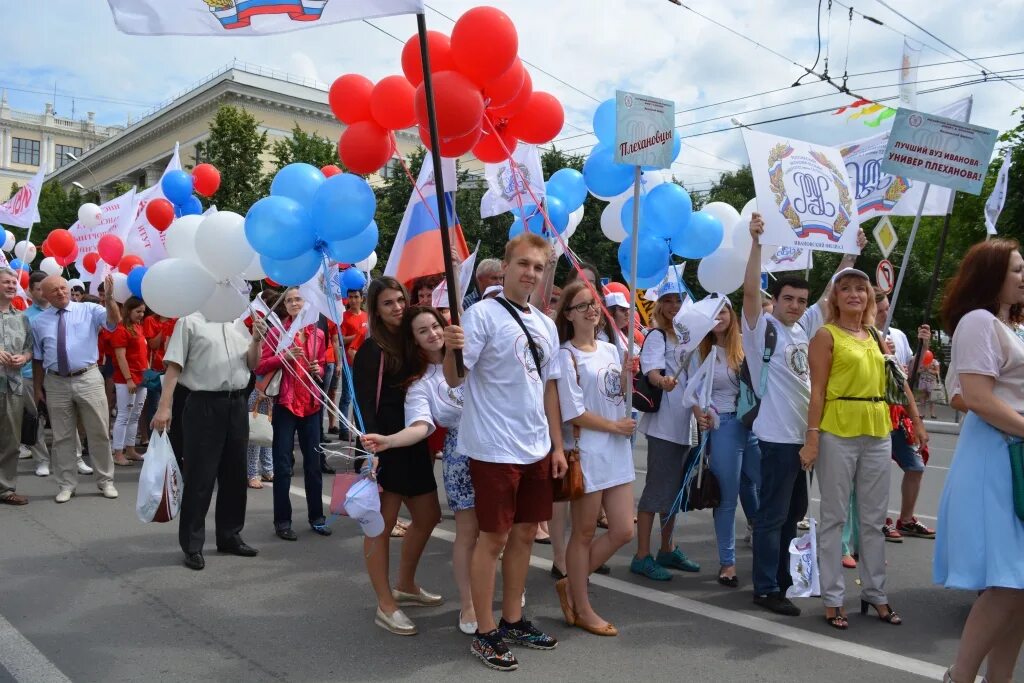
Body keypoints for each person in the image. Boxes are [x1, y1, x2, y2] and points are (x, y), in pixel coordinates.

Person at [443, 233, 567, 672]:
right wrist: (450, 347)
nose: (530, 273)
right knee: (491, 538)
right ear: (506, 267)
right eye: (523, 265)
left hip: (535, 446)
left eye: (538, 266)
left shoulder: (546, 323)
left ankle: (513, 620)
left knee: (525, 535)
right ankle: (485, 630)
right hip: (494, 448)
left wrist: (557, 444)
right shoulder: (480, 316)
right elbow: (456, 379)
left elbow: (549, 387)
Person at [741, 214, 864, 615]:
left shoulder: (804, 327)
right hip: (776, 439)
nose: (794, 305)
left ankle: (780, 579)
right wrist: (756, 243)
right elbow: (748, 293)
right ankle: (765, 589)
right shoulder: (763, 328)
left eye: (800, 300)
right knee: (772, 516)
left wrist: (852, 251)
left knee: (792, 514)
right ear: (774, 301)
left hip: (802, 440)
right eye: (787, 299)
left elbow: (831, 292)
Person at [803, 267, 925, 630]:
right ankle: (833, 598)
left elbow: (897, 382)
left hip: (877, 429)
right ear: (835, 298)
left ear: (870, 297)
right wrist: (812, 438)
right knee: (835, 518)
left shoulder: (875, 335)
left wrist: (917, 421)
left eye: (861, 289)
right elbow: (818, 391)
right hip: (838, 429)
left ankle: (876, 593)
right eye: (846, 289)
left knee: (873, 521)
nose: (855, 294)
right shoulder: (826, 335)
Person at [934, 239, 1024, 683]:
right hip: (995, 456)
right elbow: (977, 398)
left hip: (1015, 453)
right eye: (1016, 270)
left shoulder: (1013, 326)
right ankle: (961, 676)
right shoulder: (978, 322)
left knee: (1021, 588)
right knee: (1007, 584)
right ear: (990, 275)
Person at [362, 306, 476, 634]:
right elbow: (421, 425)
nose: (433, 334)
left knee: (496, 528)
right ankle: (394, 603)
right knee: (381, 526)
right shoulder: (416, 378)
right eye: (422, 330)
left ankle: (406, 585)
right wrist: (388, 441)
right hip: (446, 454)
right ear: (413, 340)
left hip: (496, 448)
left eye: (435, 326)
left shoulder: (472, 354)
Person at [353, 277, 441, 637]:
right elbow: (363, 407)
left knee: (429, 515)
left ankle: (405, 584)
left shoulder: (410, 340)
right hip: (385, 446)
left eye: (400, 300)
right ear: (375, 309)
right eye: (388, 303)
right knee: (381, 526)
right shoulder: (372, 349)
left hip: (414, 442)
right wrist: (370, 452)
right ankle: (385, 604)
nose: (398, 308)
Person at [551, 280, 636, 636]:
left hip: (617, 451)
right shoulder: (565, 355)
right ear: (568, 315)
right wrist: (614, 427)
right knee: (583, 532)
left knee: (623, 530)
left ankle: (572, 585)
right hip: (588, 451)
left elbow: (618, 395)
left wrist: (630, 376)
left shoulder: (611, 350)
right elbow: (574, 412)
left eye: (594, 304)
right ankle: (582, 606)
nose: (591, 310)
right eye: (583, 305)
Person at [152, 310, 263, 571]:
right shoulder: (189, 321)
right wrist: (164, 406)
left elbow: (252, 364)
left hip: (236, 403)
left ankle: (230, 535)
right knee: (200, 477)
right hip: (203, 403)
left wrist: (256, 340)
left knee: (235, 475)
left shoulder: (237, 322)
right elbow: (174, 366)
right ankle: (192, 544)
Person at [631, 278, 699, 581]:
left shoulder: (688, 338)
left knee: (673, 493)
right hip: (663, 426)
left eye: (679, 301)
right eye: (668, 301)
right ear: (659, 305)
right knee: (656, 491)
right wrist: (662, 381)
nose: (674, 306)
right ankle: (641, 555)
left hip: (686, 424)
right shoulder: (658, 336)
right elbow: (652, 370)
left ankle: (667, 548)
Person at [31, 274, 121, 503]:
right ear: (45, 294)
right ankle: (66, 484)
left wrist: (110, 299)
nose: (61, 293)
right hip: (55, 382)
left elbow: (113, 322)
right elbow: (38, 359)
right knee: (62, 437)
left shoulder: (89, 309)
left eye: (63, 288)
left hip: (88, 378)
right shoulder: (39, 322)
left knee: (99, 431)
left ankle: (105, 481)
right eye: (55, 291)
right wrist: (37, 387)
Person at [690, 296, 760, 588]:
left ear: (732, 315)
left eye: (724, 311)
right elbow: (691, 393)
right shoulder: (701, 351)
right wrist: (700, 413)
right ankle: (727, 563)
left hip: (755, 426)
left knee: (766, 489)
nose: (719, 316)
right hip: (724, 427)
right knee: (728, 499)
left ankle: (770, 551)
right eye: (713, 313)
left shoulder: (746, 345)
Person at [255, 287, 330, 541]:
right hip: (286, 405)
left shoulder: (318, 333)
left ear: (306, 302)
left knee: (313, 465)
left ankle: (317, 517)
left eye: (298, 298)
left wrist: (317, 368)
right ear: (284, 306)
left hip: (311, 405)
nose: (294, 303)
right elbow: (261, 366)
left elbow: (320, 366)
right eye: (289, 300)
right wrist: (283, 356)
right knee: (283, 466)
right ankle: (282, 521)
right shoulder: (277, 333)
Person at [874, 291, 936, 542]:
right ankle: (878, 521)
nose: (885, 313)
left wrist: (924, 346)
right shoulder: (863, 334)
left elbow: (911, 370)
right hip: (876, 411)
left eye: (887, 308)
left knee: (915, 465)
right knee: (877, 471)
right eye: (880, 309)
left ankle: (907, 519)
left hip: (898, 414)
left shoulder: (897, 335)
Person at [0, 267, 33, 505]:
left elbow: (30, 348)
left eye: (14, 282)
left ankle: (5, 488)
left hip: (13, 386)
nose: (12, 286)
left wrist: (24, 357)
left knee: (11, 440)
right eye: (6, 282)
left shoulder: (21, 316)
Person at [110, 297, 150, 467]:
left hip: (141, 378)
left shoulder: (138, 327)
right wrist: (128, 379)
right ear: (128, 311)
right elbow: (120, 356)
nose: (141, 315)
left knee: (135, 416)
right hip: (127, 379)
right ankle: (118, 453)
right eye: (138, 311)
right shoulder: (121, 329)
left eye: (143, 311)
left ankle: (130, 449)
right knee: (124, 416)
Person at [21, 271, 53, 478]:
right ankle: (41, 459)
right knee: (35, 419)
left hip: (57, 373)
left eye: (46, 287)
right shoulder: (25, 316)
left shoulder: (62, 311)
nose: (44, 292)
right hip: (29, 373)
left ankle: (75, 457)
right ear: (31, 291)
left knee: (65, 417)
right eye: (39, 288)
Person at [337, 287, 368, 441]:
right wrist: (359, 335)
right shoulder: (343, 317)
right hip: (349, 362)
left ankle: (362, 427)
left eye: (356, 297)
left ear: (362, 298)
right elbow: (340, 340)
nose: (353, 300)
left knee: (362, 397)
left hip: (367, 364)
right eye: (351, 297)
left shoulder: (367, 316)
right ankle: (343, 428)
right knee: (347, 396)